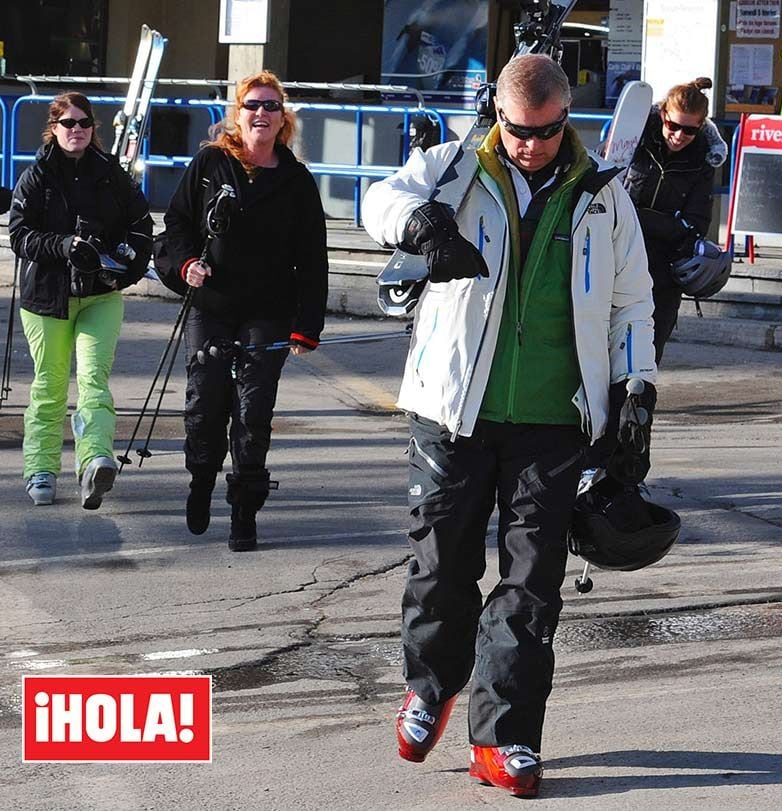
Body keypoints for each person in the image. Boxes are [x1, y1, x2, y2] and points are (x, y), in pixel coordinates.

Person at [362, 54, 657, 798]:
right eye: (518, 130)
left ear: (568, 119)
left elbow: (632, 300)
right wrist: (421, 221)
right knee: (440, 567)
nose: (530, 145)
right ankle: (430, 686)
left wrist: (636, 388)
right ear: (499, 115)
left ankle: (507, 739)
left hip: (554, 421)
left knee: (532, 586)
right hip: (451, 410)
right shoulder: (455, 166)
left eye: (547, 131)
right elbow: (378, 201)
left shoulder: (602, 195)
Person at [163, 70, 328, 552]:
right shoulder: (211, 163)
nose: (261, 114)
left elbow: (313, 257)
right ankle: (200, 479)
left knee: (253, 413)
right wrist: (186, 264)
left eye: (271, 106)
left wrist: (307, 326)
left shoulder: (296, 181)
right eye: (252, 105)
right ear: (238, 114)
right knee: (205, 402)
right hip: (212, 306)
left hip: (269, 311)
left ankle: (243, 509)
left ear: (284, 119)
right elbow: (175, 225)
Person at [9, 92, 153, 509]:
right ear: (53, 128)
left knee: (94, 381)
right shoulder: (37, 175)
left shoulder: (111, 173)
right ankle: (40, 467)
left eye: (85, 124)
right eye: (68, 123)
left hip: (99, 295)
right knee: (50, 386)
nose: (77, 131)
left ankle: (95, 462)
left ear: (94, 129)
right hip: (47, 298)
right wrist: (66, 245)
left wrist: (128, 264)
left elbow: (141, 223)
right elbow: (20, 235)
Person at [623, 77, 727, 364]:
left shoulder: (702, 160)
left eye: (690, 130)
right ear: (663, 115)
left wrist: (638, 216)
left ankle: (640, 407)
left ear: (701, 126)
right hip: (620, 258)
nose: (680, 136)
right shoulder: (636, 140)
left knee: (648, 353)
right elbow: (611, 196)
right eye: (674, 126)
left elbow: (694, 225)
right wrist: (666, 223)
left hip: (663, 271)